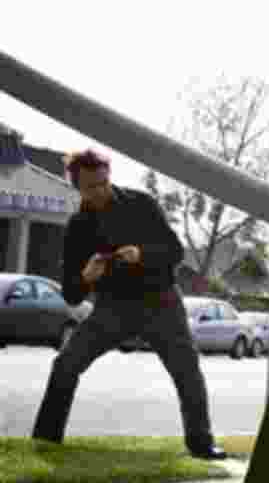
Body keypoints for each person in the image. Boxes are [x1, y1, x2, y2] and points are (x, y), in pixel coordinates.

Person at [32, 148, 226, 460]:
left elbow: (175, 252)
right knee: (66, 363)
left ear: (109, 177)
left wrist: (142, 254)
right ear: (76, 187)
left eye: (103, 183)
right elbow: (71, 295)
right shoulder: (78, 226)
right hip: (113, 309)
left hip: (161, 302)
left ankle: (202, 443)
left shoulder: (141, 204)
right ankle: (45, 441)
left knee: (187, 370)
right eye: (90, 187)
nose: (99, 191)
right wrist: (86, 276)